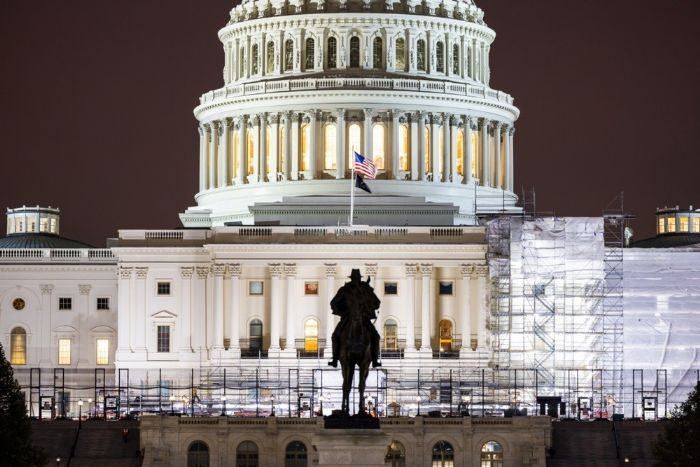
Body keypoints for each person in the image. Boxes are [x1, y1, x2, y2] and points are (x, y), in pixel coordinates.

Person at [328, 268, 381, 368]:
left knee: (375, 336)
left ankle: (374, 359)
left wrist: (369, 305)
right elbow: (333, 303)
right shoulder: (344, 290)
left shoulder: (365, 289)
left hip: (363, 318)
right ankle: (335, 359)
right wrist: (342, 312)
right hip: (347, 318)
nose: (356, 280)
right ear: (351, 279)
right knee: (335, 335)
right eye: (354, 278)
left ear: (360, 279)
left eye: (357, 278)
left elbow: (377, 303)